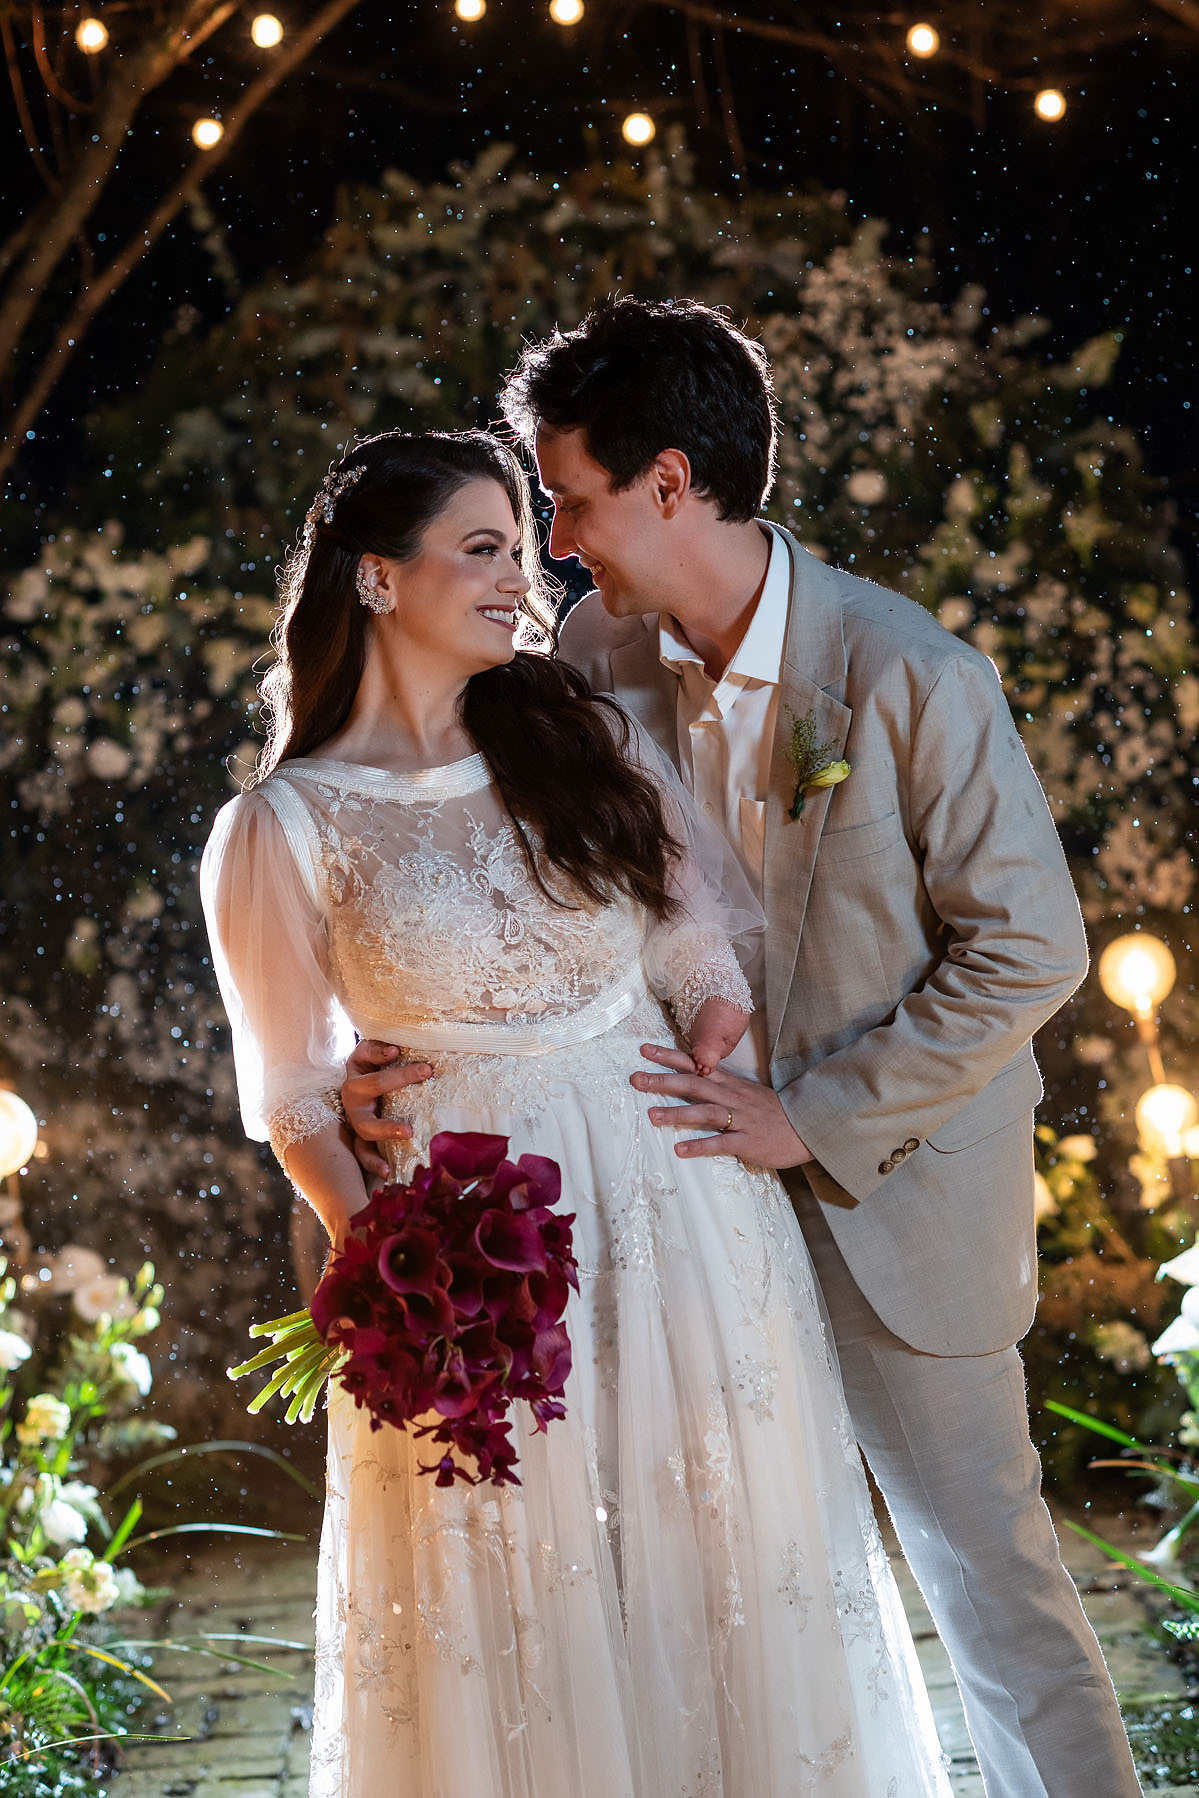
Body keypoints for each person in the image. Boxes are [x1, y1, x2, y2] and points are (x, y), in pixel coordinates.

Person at [341, 304, 1144, 1798]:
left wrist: (810, 1113)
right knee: (707, 1601)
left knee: (991, 1589)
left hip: (892, 1196)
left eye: (569, 497)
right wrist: (400, 1041)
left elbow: (1032, 951)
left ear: (666, 483)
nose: (554, 541)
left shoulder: (911, 675)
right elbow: (510, 873)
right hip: (678, 1209)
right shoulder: (591, 653)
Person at [200, 428, 952, 1797]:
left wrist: (718, 1026)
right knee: (517, 1590)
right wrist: (376, 1256)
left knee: (714, 1563)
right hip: (470, 1251)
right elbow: (293, 1092)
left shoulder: (579, 733)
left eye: (519, 547)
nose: (520, 576)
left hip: (680, 1202)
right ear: (375, 579)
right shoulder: (282, 826)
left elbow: (688, 944)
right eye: (480, 549)